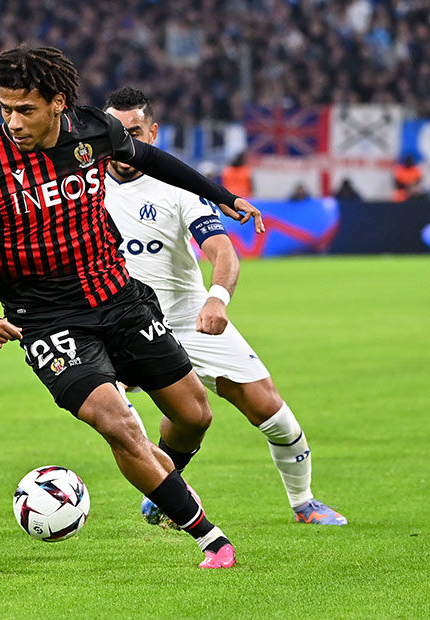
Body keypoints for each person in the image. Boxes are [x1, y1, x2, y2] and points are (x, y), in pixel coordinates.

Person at [0, 45, 264, 568]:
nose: (12, 121)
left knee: (194, 414)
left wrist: (224, 197)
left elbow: (152, 160)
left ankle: (163, 481)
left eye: (24, 109)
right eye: (4, 109)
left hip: (118, 298)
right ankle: (210, 538)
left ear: (57, 103)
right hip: (49, 322)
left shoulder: (93, 131)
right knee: (118, 423)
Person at [102, 87, 346, 526]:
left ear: (153, 133)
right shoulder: (83, 186)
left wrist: (218, 299)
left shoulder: (177, 186)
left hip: (186, 316)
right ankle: (166, 488)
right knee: (144, 417)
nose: (125, 144)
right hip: (117, 321)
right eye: (115, 133)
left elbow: (222, 250)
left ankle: (304, 502)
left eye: (134, 132)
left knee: (269, 412)